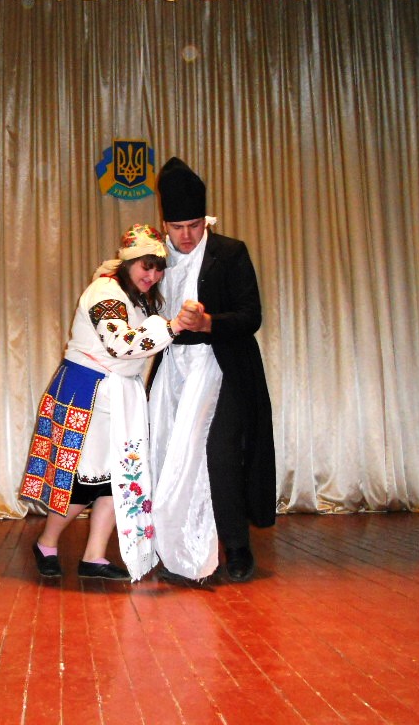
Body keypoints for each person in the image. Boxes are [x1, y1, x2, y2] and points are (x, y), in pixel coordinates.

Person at [19, 223, 192, 582]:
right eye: (146, 266)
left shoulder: (135, 296)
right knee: (83, 482)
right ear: (128, 262)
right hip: (88, 392)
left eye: (158, 269)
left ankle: (94, 556)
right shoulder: (105, 292)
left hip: (119, 393)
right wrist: (172, 326)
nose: (153, 275)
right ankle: (46, 543)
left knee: (118, 478)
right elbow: (121, 344)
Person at [148, 157, 276, 583]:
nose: (186, 236)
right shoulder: (155, 259)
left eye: (194, 226)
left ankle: (236, 546)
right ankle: (174, 546)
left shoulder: (230, 253)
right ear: (165, 225)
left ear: (206, 220)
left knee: (218, 454)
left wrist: (208, 323)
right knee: (168, 454)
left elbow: (251, 316)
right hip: (173, 371)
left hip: (222, 368)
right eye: (177, 227)